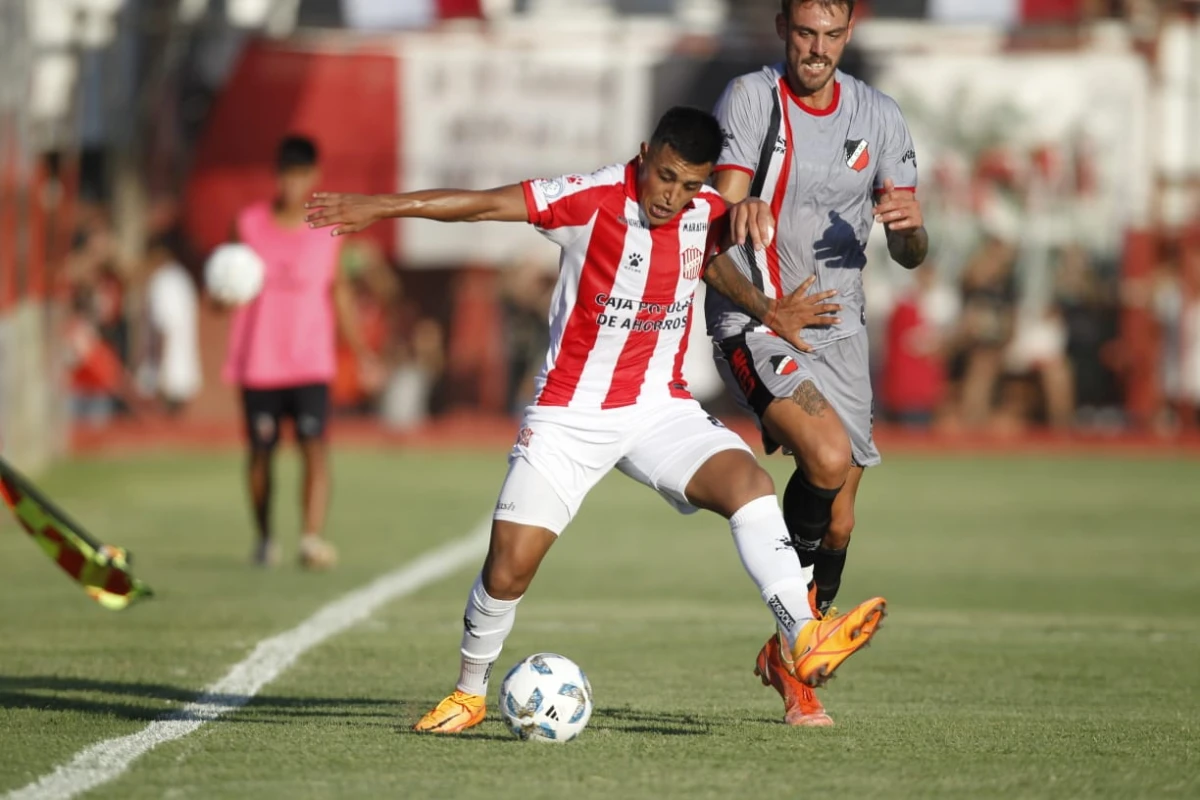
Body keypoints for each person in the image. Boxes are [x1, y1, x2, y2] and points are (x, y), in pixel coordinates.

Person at [304, 106, 887, 734]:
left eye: (690, 185)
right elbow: (481, 204)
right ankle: (470, 692)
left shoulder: (705, 211)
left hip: (659, 409)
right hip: (569, 415)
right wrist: (380, 208)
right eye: (665, 177)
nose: (673, 197)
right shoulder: (588, 198)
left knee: (750, 487)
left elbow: (710, 258)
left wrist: (769, 310)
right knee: (508, 568)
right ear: (644, 153)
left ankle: (802, 633)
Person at [707, 0, 928, 726]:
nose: (818, 50)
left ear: (851, 32)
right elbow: (721, 214)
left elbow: (910, 249)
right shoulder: (751, 98)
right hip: (760, 320)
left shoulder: (881, 117)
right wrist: (739, 214)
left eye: (832, 36)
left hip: (842, 331)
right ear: (782, 29)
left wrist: (911, 233)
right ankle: (801, 659)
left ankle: (788, 653)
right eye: (806, 33)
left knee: (839, 522)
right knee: (827, 457)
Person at [221, 135, 382, 570]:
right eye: (285, 174)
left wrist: (363, 352)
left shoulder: (327, 229)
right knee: (260, 451)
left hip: (310, 359)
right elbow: (224, 281)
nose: (292, 184)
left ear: (313, 176)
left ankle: (311, 538)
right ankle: (264, 537)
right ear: (277, 176)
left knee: (314, 445)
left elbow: (340, 292)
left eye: (300, 175)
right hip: (259, 360)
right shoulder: (249, 223)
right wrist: (220, 295)